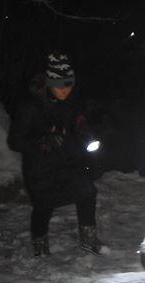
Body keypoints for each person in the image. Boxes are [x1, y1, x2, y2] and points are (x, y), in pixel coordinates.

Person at [7, 54, 103, 256]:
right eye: (60, 87)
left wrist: (84, 132)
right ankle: (40, 245)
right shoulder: (30, 107)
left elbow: (76, 124)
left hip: (67, 163)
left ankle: (88, 238)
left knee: (87, 191)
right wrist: (42, 141)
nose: (65, 92)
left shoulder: (71, 101)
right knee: (44, 206)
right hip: (40, 168)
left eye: (69, 86)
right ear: (49, 84)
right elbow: (14, 141)